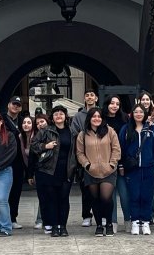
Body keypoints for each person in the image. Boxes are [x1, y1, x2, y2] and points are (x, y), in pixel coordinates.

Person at [31, 105, 78, 237]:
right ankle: (54, 226)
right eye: (56, 114)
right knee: (52, 199)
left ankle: (62, 226)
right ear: (52, 117)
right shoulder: (46, 130)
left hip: (66, 169)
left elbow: (76, 151)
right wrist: (46, 146)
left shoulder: (72, 131)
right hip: (49, 170)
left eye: (61, 113)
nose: (59, 116)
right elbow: (34, 145)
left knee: (64, 199)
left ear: (65, 116)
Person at [76, 108, 121, 237]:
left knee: (106, 198)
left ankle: (109, 224)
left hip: (108, 170)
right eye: (94, 116)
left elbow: (116, 149)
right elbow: (80, 153)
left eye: (99, 116)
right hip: (91, 171)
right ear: (89, 118)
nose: (97, 119)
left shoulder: (110, 131)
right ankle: (99, 225)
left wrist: (112, 163)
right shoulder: (83, 134)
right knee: (94, 199)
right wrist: (87, 165)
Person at [119, 104, 154, 236]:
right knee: (134, 195)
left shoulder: (151, 129)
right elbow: (121, 149)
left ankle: (146, 222)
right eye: (136, 112)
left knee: (147, 196)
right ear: (132, 114)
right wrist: (121, 165)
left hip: (149, 167)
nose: (138, 114)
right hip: (132, 168)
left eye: (141, 112)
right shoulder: (126, 129)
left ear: (145, 114)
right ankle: (135, 221)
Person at [70, 88, 98, 227]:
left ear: (96, 98)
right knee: (86, 189)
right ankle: (86, 215)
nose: (89, 97)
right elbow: (74, 134)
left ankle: (100, 214)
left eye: (92, 95)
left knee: (100, 189)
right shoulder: (78, 116)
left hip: (99, 157)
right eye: (87, 95)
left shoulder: (100, 114)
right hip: (84, 157)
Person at [103, 95, 130, 232]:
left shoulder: (125, 119)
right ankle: (111, 221)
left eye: (117, 104)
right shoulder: (100, 119)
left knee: (125, 194)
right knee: (109, 195)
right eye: (112, 103)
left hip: (122, 162)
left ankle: (128, 220)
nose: (114, 106)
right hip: (105, 162)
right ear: (107, 104)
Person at [2, 96, 26, 229]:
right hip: (5, 160)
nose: (15, 106)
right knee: (3, 192)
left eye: (18, 105)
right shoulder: (2, 119)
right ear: (8, 105)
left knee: (16, 191)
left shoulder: (23, 121)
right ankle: (3, 218)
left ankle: (13, 217)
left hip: (18, 161)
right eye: (13, 104)